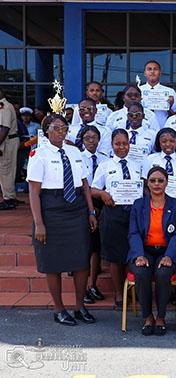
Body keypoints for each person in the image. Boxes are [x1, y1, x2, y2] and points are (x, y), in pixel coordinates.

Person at [27, 114, 98, 325]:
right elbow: (33, 191)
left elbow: (85, 184)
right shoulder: (38, 154)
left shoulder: (74, 151)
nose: (62, 131)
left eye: (64, 127)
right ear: (47, 130)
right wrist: (39, 223)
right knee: (53, 262)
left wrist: (91, 211)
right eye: (57, 128)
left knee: (81, 260)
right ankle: (59, 309)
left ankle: (79, 306)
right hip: (52, 208)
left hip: (76, 207)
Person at [128, 166, 176, 336]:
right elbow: (133, 233)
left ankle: (160, 317)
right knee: (141, 272)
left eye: (161, 180)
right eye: (153, 180)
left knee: (163, 273)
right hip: (144, 250)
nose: (157, 184)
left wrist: (169, 255)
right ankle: (147, 316)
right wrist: (139, 254)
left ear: (167, 183)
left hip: (167, 250)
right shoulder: (139, 205)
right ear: (147, 183)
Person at [91, 129, 143, 309]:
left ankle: (132, 290)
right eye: (117, 144)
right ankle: (119, 293)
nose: (121, 147)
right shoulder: (105, 166)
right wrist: (103, 193)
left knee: (133, 252)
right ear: (112, 145)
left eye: (125, 143)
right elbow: (92, 189)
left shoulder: (138, 165)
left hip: (134, 214)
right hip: (113, 213)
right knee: (115, 256)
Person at [79, 125, 109, 304]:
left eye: (94, 137)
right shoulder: (77, 159)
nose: (91, 141)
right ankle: (81, 289)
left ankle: (92, 285)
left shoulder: (105, 159)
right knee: (84, 246)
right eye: (87, 138)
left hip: (101, 202)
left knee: (96, 246)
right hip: (82, 202)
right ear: (82, 140)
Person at [142, 127, 176, 201]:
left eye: (172, 141)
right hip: (154, 202)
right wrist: (151, 198)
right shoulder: (150, 159)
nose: (168, 144)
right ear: (159, 142)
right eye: (164, 141)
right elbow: (145, 182)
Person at [140, 60, 176, 128]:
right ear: (145, 73)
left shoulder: (170, 91)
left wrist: (170, 107)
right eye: (149, 69)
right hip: (143, 129)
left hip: (163, 129)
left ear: (160, 73)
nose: (152, 72)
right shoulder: (138, 91)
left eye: (155, 69)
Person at [0, 88, 19, 210]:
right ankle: (10, 197)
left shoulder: (4, 107)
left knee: (6, 170)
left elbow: (4, 128)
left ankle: (9, 199)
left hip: (8, 141)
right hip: (7, 141)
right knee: (6, 170)